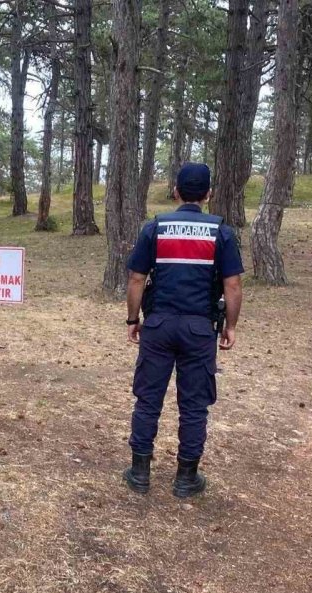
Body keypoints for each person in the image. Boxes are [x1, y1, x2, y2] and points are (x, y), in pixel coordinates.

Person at [122, 162, 243, 497]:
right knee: (194, 405)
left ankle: (139, 473)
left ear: (176, 191)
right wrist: (230, 326)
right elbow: (232, 286)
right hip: (199, 329)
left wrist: (133, 320)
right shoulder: (221, 232)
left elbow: (136, 278)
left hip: (158, 326)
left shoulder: (156, 228)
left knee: (148, 399)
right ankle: (186, 478)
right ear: (208, 193)